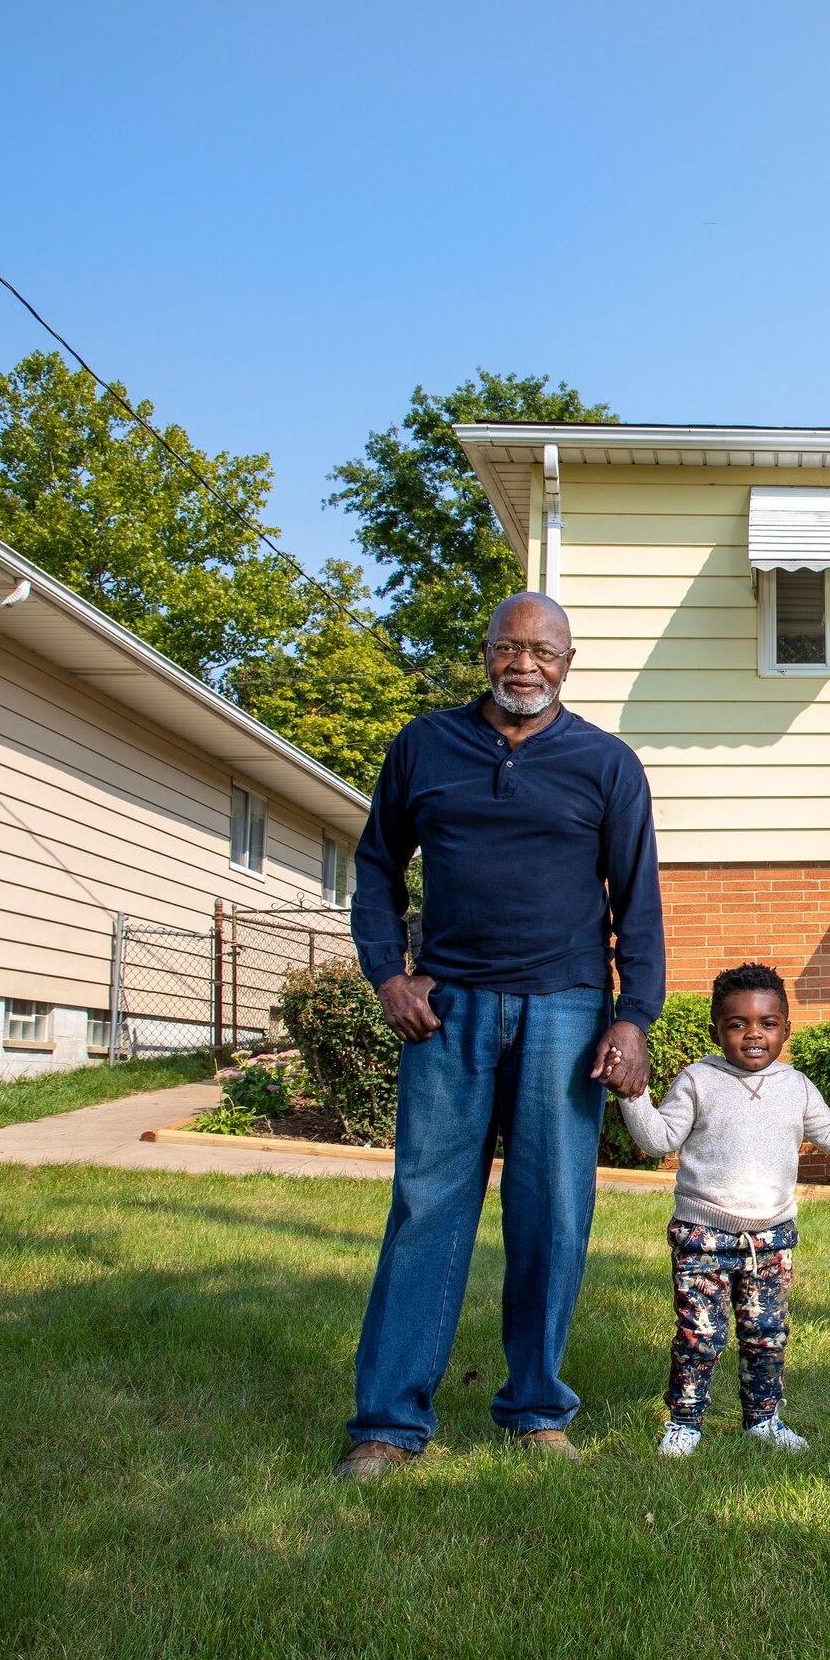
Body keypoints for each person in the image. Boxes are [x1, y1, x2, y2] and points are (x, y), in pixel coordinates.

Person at [335, 592, 663, 1482]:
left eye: (544, 651)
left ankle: (535, 1407)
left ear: (568, 660)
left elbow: (638, 903)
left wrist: (633, 1018)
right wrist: (386, 973)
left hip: (567, 1006)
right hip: (449, 1008)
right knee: (427, 1206)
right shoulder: (424, 746)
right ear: (485, 653)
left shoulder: (606, 763)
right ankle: (387, 1424)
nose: (526, 665)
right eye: (509, 648)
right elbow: (374, 867)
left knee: (554, 1212)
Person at [621, 963, 830, 1458]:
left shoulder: (796, 1085)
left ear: (786, 1027)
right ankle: (684, 1423)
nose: (753, 1035)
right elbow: (659, 1141)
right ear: (717, 1028)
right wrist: (633, 1095)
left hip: (771, 1240)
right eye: (737, 1024)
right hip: (703, 1236)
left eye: (767, 1023)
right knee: (701, 1334)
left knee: (766, 1335)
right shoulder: (698, 1080)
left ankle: (763, 1420)